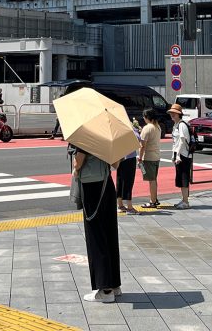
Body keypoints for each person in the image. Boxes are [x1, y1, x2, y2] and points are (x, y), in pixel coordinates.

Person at [70, 144, 121, 303]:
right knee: (109, 233)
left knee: (96, 236)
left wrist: (75, 166)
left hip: (92, 186)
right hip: (107, 184)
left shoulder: (86, 137)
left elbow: (78, 162)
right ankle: (114, 285)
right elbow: (116, 163)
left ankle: (105, 290)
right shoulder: (108, 137)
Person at [168, 103, 192, 209]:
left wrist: (177, 155)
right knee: (180, 178)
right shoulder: (176, 124)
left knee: (184, 178)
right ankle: (184, 200)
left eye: (174, 113)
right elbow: (176, 142)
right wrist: (174, 155)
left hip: (183, 155)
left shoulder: (181, 125)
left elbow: (182, 141)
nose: (172, 114)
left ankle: (186, 201)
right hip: (179, 154)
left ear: (179, 114)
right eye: (171, 113)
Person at [138, 109, 161, 208]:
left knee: (151, 180)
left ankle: (152, 201)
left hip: (148, 157)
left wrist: (140, 158)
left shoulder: (147, 128)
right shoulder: (157, 126)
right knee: (154, 179)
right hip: (156, 156)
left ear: (147, 117)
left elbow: (142, 145)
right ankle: (154, 198)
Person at [116, 122, 141, 214]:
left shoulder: (117, 129)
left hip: (120, 157)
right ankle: (129, 207)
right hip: (129, 158)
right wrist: (134, 128)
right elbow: (138, 138)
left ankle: (120, 205)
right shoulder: (129, 129)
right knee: (128, 182)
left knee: (120, 181)